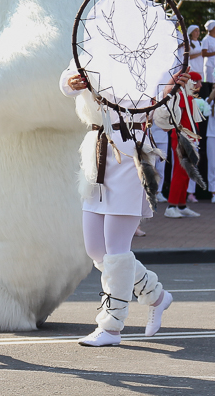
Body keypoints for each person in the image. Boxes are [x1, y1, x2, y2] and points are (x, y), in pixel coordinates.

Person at [60, 65, 176, 346]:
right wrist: (71, 82)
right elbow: (66, 82)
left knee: (116, 249)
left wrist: (170, 91)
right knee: (95, 249)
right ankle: (156, 295)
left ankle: (111, 327)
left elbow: (166, 119)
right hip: (97, 153)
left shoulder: (153, 58)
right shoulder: (93, 49)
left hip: (131, 152)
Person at [164, 72, 202, 218]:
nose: (200, 85)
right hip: (182, 139)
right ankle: (171, 206)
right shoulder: (181, 96)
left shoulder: (190, 97)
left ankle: (181, 204)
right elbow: (176, 118)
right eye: (198, 81)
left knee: (186, 173)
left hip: (190, 138)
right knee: (180, 172)